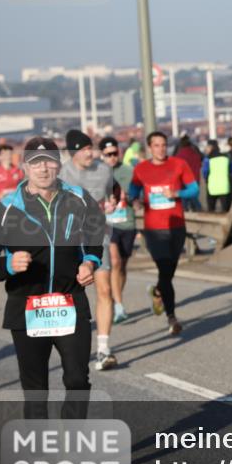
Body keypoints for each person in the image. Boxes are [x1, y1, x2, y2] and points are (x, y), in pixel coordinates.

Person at [0, 137, 105, 419]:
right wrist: (7, 263)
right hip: (27, 307)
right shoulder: (8, 209)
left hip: (70, 302)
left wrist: (90, 262)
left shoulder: (79, 199)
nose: (42, 168)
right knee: (35, 391)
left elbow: (95, 235)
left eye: (48, 162)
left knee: (78, 380)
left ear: (59, 165)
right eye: (35, 163)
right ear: (25, 167)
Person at [129, 131, 200, 335]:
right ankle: (172, 317)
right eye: (156, 145)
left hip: (176, 225)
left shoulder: (178, 165)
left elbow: (194, 190)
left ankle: (157, 291)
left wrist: (177, 193)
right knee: (164, 270)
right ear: (149, 148)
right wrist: (134, 200)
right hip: (154, 229)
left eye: (163, 145)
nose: (160, 149)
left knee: (169, 271)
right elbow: (133, 191)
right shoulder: (141, 169)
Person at [60, 130, 118, 371]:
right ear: (73, 152)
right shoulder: (62, 174)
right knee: (72, 294)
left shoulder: (104, 170)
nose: (90, 153)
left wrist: (113, 201)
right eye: (84, 149)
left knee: (104, 290)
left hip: (98, 237)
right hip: (69, 242)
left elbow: (115, 188)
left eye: (90, 148)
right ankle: (71, 343)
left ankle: (103, 349)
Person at [98, 137, 136, 325]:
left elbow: (139, 194)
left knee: (122, 266)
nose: (112, 157)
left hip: (126, 223)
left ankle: (114, 298)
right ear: (101, 155)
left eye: (115, 153)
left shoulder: (128, 171)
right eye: (108, 155)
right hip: (107, 226)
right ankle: (118, 305)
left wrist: (132, 197)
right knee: (114, 260)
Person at [173, 135, 204, 212]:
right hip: (195, 177)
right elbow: (201, 159)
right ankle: (198, 211)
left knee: (183, 197)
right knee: (193, 196)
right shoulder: (195, 150)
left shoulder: (178, 152)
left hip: (183, 179)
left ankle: (185, 212)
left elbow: (174, 163)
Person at [202, 140, 232, 213]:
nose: (206, 149)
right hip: (224, 187)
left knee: (211, 210)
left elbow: (205, 172)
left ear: (211, 147)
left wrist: (206, 179)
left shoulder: (207, 159)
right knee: (226, 211)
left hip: (212, 187)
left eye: (207, 147)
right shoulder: (225, 158)